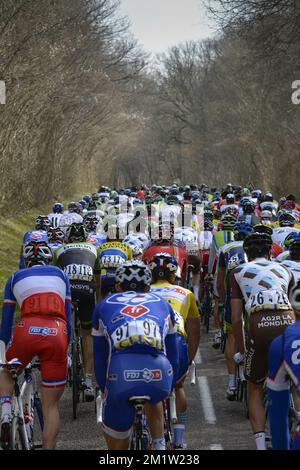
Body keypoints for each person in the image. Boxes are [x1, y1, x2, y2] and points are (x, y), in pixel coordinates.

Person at [92, 261, 179, 450]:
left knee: (117, 440)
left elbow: (99, 358)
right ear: (148, 287)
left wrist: (103, 388)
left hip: (121, 375)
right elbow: (174, 354)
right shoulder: (163, 304)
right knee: (154, 396)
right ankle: (159, 446)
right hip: (159, 376)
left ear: (117, 286)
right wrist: (170, 387)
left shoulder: (102, 305)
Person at [0, 240, 72, 450]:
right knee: (51, 406)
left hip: (26, 330)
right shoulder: (61, 274)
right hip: (57, 332)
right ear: (49, 259)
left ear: (25, 260)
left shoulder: (14, 278)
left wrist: (2, 353)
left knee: (6, 371)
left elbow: (5, 326)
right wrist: (65, 349)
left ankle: (5, 411)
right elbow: (68, 317)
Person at [231, 231, 296, 450]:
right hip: (287, 319)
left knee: (255, 388)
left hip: (259, 324)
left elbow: (236, 318)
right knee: (294, 380)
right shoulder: (285, 269)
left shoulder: (237, 270)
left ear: (247, 255)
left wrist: (240, 352)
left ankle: (260, 444)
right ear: (270, 252)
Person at [149, 253, 200, 449]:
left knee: (150, 390)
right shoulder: (185, 293)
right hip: (176, 340)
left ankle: (154, 438)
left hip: (151, 340)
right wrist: (189, 359)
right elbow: (194, 333)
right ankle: (178, 440)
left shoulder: (143, 293)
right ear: (173, 275)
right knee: (178, 387)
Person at [52, 222, 101, 400]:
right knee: (87, 335)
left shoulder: (58, 250)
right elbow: (97, 281)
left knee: (63, 327)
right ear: (86, 238)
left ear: (68, 237)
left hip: (67, 291)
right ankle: (88, 381)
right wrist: (98, 300)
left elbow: (55, 277)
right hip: (87, 289)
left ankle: (66, 358)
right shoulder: (94, 249)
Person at [216, 223, 253, 400]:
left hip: (233, 292)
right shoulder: (256, 249)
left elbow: (219, 280)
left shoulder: (225, 248)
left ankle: (231, 383)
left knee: (231, 334)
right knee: (252, 331)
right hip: (254, 292)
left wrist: (223, 299)